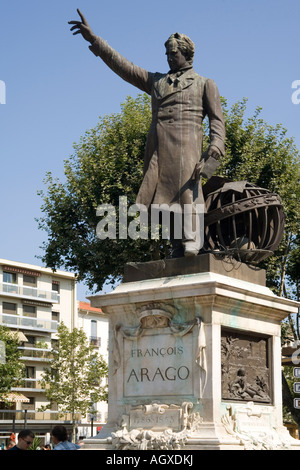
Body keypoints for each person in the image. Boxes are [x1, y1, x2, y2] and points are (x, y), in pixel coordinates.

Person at [69, 10, 225, 257]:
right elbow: (125, 67)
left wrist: (214, 151)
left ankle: (192, 239)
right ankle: (177, 244)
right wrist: (95, 40)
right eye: (167, 55)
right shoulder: (156, 82)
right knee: (162, 196)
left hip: (188, 148)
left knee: (187, 192)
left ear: (186, 53)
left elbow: (217, 123)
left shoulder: (205, 84)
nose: (169, 59)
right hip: (158, 148)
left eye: (174, 54)